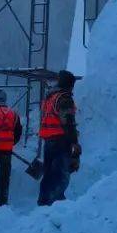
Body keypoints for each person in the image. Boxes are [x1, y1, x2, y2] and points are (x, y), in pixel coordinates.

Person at [37, 70, 81, 207]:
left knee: (49, 174)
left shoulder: (50, 97)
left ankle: (43, 203)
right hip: (61, 141)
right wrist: (74, 142)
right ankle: (57, 206)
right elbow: (68, 122)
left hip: (49, 141)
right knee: (62, 174)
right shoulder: (64, 98)